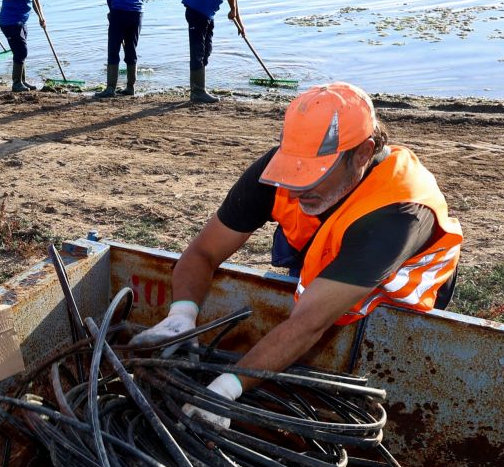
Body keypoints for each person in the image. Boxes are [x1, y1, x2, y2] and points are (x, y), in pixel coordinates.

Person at [133, 84, 462, 424]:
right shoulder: (282, 171)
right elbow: (203, 251)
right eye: (293, 171)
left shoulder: (398, 211)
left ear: (362, 154)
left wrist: (226, 389)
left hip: (400, 297)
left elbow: (307, 324)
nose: (294, 188)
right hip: (328, 260)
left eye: (313, 175)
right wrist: (182, 316)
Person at [181, 0, 266, 105]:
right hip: (198, 6)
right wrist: (232, 10)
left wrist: (240, 24)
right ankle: (197, 92)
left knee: (206, 50)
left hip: (207, 11)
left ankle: (199, 89)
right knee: (198, 50)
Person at [96, 0, 147, 99]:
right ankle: (130, 87)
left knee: (113, 49)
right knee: (131, 49)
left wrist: (112, 11)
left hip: (119, 12)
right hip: (137, 14)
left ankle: (110, 88)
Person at [0, 0, 50, 93]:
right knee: (21, 51)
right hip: (10, 21)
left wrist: (41, 16)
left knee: (20, 51)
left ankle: (22, 81)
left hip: (22, 21)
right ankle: (16, 83)